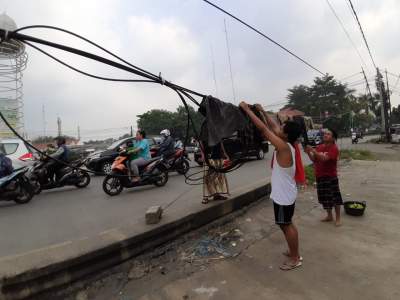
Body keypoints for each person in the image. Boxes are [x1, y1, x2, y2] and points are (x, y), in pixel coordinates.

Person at [240, 101, 303, 271]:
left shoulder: (283, 147)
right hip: (285, 194)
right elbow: (273, 127)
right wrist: (261, 111)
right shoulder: (288, 144)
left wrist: (247, 111)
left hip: (284, 197)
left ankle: (296, 257)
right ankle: (293, 251)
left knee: (286, 224)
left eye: (283, 129)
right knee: (286, 223)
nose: (279, 129)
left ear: (286, 135)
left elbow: (264, 130)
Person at [305, 128, 343, 226]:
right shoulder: (319, 147)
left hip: (330, 177)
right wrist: (308, 152)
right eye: (325, 133)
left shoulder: (334, 148)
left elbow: (324, 158)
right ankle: (329, 216)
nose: (325, 135)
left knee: (335, 198)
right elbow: (314, 159)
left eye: (328, 134)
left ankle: (338, 218)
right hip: (320, 176)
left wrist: (313, 150)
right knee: (325, 198)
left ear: (333, 138)